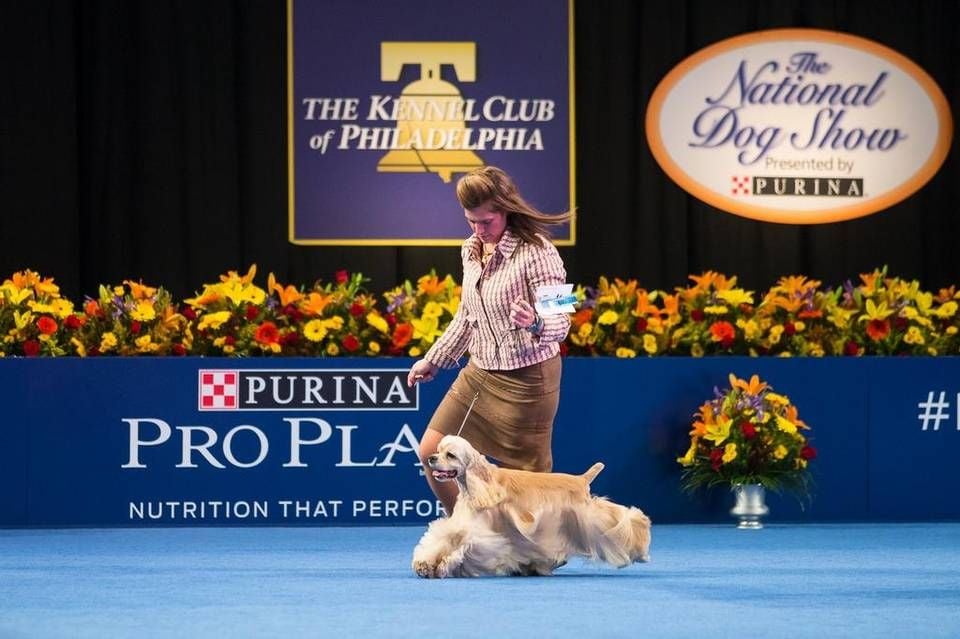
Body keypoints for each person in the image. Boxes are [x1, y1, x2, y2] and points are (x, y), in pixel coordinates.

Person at [407, 165, 573, 515]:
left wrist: (536, 323)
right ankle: (466, 529)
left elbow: (564, 320)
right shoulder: (470, 249)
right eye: (471, 221)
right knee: (431, 454)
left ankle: (542, 548)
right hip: (479, 373)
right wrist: (434, 359)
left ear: (506, 211)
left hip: (529, 378)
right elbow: (468, 315)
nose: (479, 230)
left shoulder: (540, 251)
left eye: (487, 222)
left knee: (530, 483)